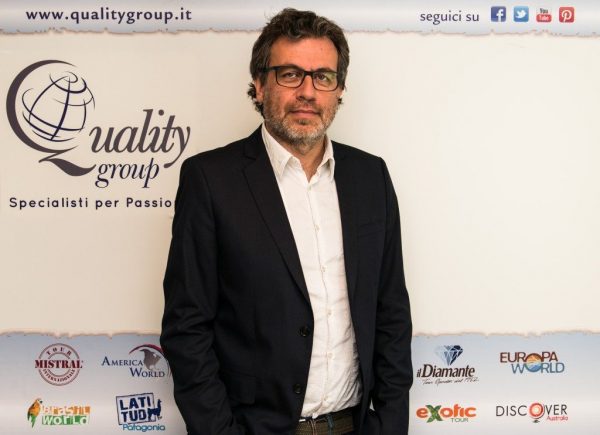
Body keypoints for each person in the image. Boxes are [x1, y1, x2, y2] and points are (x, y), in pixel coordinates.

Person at [160, 8, 412, 435]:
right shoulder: (211, 180)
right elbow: (187, 327)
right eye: (290, 74)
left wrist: (388, 423)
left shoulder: (371, 177)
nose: (308, 92)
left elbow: (391, 313)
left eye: (323, 77)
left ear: (339, 89)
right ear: (260, 85)